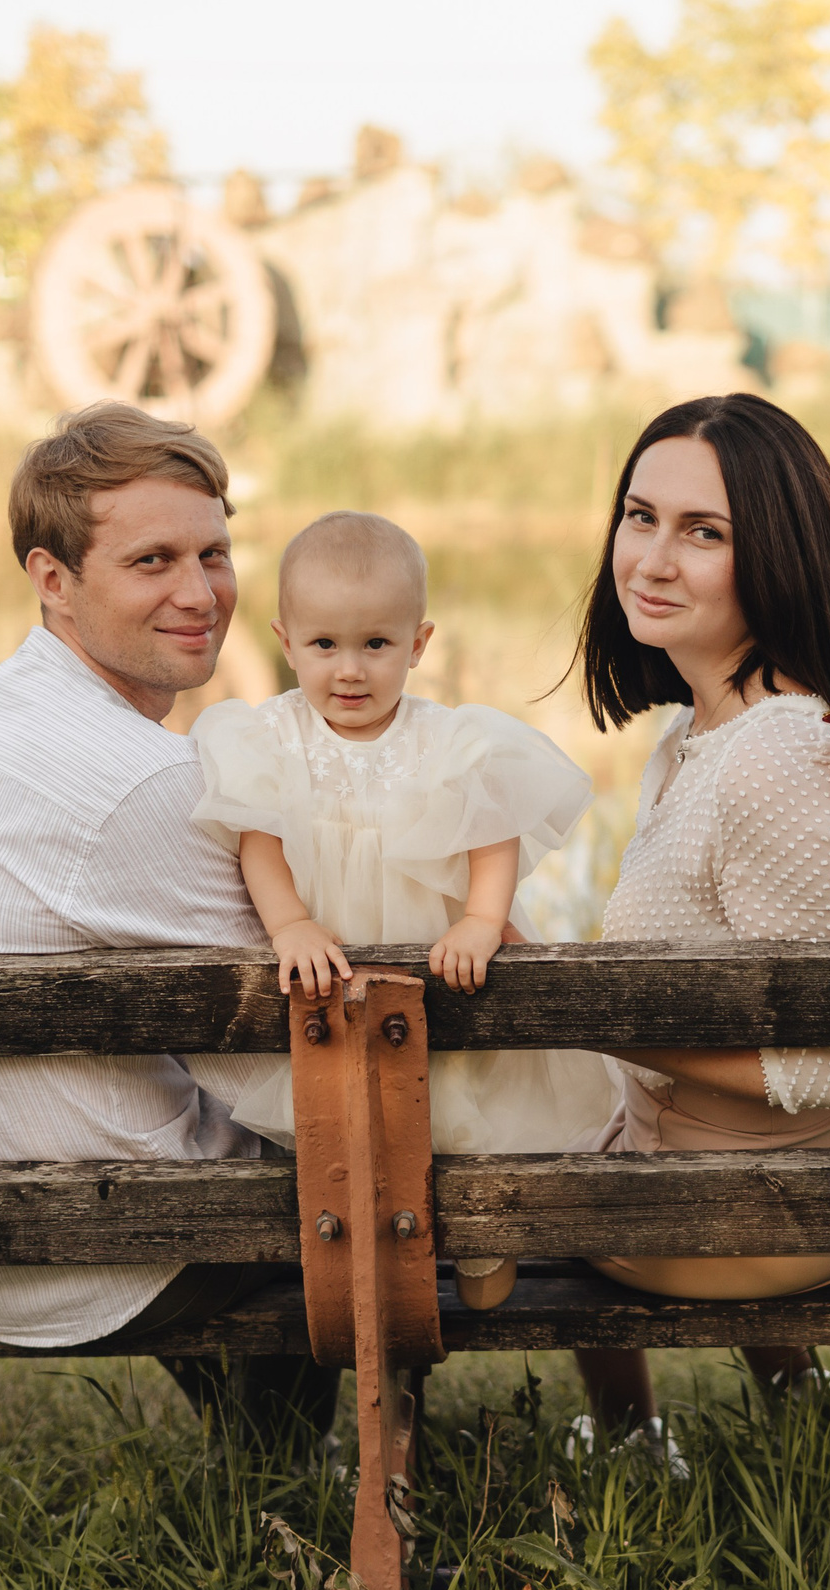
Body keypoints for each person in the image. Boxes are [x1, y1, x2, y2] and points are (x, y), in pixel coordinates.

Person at [0, 400, 333, 1442]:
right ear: (52, 578)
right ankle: (305, 1502)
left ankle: (268, 1479)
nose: (201, 593)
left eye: (214, 552)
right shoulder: (142, 782)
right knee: (358, 1166)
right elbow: (290, 1060)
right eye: (153, 561)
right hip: (75, 1250)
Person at [564, 392, 830, 1437]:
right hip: (750, 1162)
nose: (649, 559)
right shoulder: (699, 734)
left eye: (703, 533)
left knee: (486, 1177)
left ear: (776, 558)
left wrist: (613, 1025)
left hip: (807, 1197)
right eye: (639, 517)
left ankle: (627, 1442)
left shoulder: (779, 760)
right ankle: (790, 1411)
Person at [185, 511, 617, 1306]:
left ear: (417, 644)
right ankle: (370, 1245)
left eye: (376, 645)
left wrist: (483, 920)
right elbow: (260, 843)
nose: (349, 670)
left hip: (437, 967)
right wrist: (291, 925)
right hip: (334, 972)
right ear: (286, 640)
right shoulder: (270, 737)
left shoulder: (448, 738)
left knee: (463, 1102)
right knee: (352, 1119)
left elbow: (495, 833)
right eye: (324, 646)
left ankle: (482, 1230)